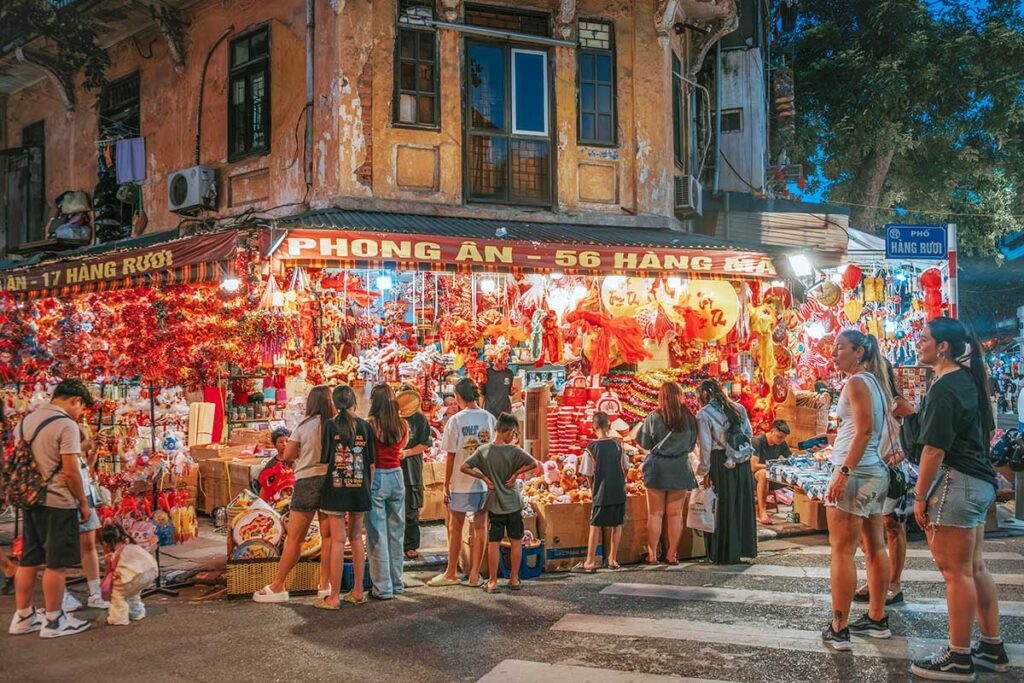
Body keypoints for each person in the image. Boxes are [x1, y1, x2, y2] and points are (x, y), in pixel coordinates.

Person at [911, 318, 1007, 680]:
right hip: (978, 484)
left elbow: (934, 449)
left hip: (958, 483)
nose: (918, 344)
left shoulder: (946, 385)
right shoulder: (969, 381)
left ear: (943, 347)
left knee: (956, 575)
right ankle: (991, 645)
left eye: (924, 339)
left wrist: (920, 496)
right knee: (975, 568)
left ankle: (958, 657)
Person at [821, 330, 892, 651]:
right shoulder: (875, 382)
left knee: (842, 550)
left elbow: (863, 430)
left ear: (859, 351)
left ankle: (839, 627)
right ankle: (877, 618)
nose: (834, 354)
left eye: (841, 348)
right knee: (875, 547)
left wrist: (843, 473)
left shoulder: (857, 382)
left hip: (857, 473)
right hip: (873, 472)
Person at [8, 378, 95, 638]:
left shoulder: (25, 422)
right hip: (57, 501)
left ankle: (23, 617)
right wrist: (83, 503)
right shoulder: (65, 425)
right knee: (57, 564)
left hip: (30, 500)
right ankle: (54, 621)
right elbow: (70, 471)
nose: (80, 414)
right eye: (81, 408)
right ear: (75, 400)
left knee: (30, 559)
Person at [253, 386, 334, 603]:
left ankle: (278, 585)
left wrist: (304, 451)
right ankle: (324, 585)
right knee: (328, 537)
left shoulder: (304, 426)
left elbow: (288, 454)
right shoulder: (334, 424)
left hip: (306, 480)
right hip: (329, 481)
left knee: (295, 538)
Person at [855, 361, 915, 608]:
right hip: (868, 470)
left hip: (892, 473)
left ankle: (894, 584)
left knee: (892, 526)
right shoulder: (864, 399)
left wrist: (900, 455)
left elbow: (915, 437)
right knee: (866, 528)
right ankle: (876, 578)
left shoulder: (897, 404)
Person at [428, 378, 496, 588]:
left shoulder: (456, 421)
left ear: (458, 397)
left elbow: (451, 456)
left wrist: (446, 483)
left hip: (460, 481)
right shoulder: (489, 418)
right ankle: (475, 575)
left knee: (454, 526)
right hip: (484, 482)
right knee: (480, 526)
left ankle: (451, 572)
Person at [460, 413, 538, 593]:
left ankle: (493, 582)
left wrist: (484, 477)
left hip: (494, 503)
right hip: (513, 503)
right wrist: (515, 475)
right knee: (516, 540)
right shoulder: (514, 451)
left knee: (494, 542)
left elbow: (464, 467)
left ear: (496, 429)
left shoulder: (484, 451)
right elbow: (533, 463)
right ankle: (514, 579)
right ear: (510, 432)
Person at [317, 384, 374, 608]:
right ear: (353, 402)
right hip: (360, 488)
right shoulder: (364, 426)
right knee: (357, 538)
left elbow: (325, 461)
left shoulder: (330, 426)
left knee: (338, 541)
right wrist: (367, 488)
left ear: (335, 403)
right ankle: (358, 591)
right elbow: (371, 462)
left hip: (336, 489)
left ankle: (333, 597)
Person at [636, 381, 698, 565]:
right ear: (680, 396)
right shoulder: (690, 418)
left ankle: (653, 554)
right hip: (680, 467)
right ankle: (672, 554)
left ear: (661, 398)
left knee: (655, 513)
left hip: (657, 468)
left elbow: (644, 443)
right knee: (675, 514)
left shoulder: (653, 417)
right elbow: (692, 445)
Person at [697, 379, 756, 566]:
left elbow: (705, 447)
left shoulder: (704, 414)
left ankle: (724, 552)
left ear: (704, 395)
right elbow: (749, 433)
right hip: (741, 462)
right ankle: (742, 548)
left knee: (722, 506)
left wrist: (703, 471)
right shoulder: (739, 408)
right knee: (739, 503)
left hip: (720, 462)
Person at [365, 384, 409, 600]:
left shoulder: (371, 425)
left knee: (377, 534)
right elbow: (402, 447)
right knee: (396, 533)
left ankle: (383, 588)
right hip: (397, 476)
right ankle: (397, 582)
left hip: (378, 477)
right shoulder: (402, 424)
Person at [63, 423, 109, 612]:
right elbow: (70, 473)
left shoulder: (80, 452)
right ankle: (61, 594)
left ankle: (95, 593)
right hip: (68, 500)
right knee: (63, 548)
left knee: (89, 546)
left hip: (86, 499)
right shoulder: (65, 447)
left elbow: (87, 470)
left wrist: (94, 450)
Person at [577, 411, 629, 572]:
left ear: (593, 428)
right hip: (618, 491)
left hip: (601, 492)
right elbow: (625, 468)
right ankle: (612, 559)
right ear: (610, 426)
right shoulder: (619, 446)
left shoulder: (591, 449)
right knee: (617, 524)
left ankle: (590, 561)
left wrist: (593, 490)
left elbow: (588, 473)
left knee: (595, 525)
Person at [99, 523, 157, 626]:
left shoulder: (114, 554)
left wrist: (103, 583)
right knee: (133, 592)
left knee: (118, 594)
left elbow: (109, 572)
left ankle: (118, 618)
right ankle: (137, 612)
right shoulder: (132, 546)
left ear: (106, 543)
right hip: (151, 572)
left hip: (133, 577)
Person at [397, 385, 431, 559]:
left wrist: (407, 452)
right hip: (393, 468)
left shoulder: (420, 419)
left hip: (412, 468)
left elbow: (425, 443)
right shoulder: (393, 418)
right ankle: (395, 543)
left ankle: (410, 544)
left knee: (411, 508)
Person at [750, 419, 792, 525]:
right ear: (772, 431)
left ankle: (800, 509)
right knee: (764, 473)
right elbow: (753, 466)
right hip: (754, 476)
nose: (781, 440)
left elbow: (791, 459)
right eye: (779, 437)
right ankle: (762, 510)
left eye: (783, 438)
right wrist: (774, 466)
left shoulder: (782, 443)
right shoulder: (757, 441)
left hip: (772, 475)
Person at [251, 427, 292, 494]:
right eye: (280, 442)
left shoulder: (295, 461)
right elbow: (264, 487)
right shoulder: (271, 465)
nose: (284, 444)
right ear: (275, 445)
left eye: (287, 441)